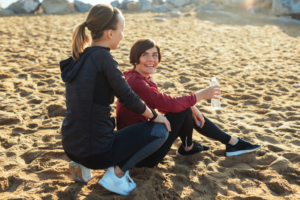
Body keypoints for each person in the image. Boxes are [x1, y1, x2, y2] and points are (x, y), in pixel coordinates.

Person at [59, 6, 171, 196]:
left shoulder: (79, 57)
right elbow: (128, 98)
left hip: (70, 145)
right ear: (110, 33)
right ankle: (117, 174)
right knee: (161, 130)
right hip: (96, 152)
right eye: (121, 30)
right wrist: (154, 117)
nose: (123, 35)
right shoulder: (104, 58)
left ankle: (81, 165)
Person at [116, 38, 261, 168]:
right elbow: (169, 104)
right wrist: (200, 96)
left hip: (142, 142)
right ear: (135, 59)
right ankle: (230, 143)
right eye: (145, 55)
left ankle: (203, 146)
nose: (151, 59)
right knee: (183, 109)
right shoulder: (135, 82)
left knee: (185, 108)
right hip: (139, 156)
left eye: (154, 55)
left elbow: (163, 104)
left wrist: (191, 106)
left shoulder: (141, 78)